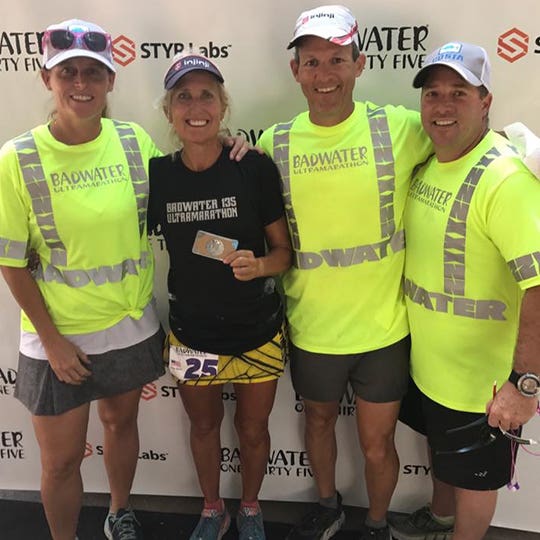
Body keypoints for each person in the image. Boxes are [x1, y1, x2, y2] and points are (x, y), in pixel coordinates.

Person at [257, 5, 433, 540]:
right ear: (295, 71)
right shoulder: (273, 142)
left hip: (384, 330)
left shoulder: (401, 127)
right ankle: (329, 505)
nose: (324, 74)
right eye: (312, 62)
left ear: (359, 64)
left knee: (379, 443)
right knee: (317, 424)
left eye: (337, 59)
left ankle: (376, 523)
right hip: (313, 328)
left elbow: (467, 140)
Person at [0, 18, 165, 540]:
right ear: (46, 78)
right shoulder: (16, 158)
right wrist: (52, 342)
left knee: (121, 426)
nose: (81, 84)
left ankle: (120, 513)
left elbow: (182, 191)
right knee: (61, 462)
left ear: (111, 81)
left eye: (93, 72)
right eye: (67, 71)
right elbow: (9, 260)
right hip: (57, 338)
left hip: (129, 324)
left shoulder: (133, 140)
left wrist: (233, 154)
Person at [390, 42, 540, 540]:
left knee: (476, 482)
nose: (443, 105)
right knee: (442, 460)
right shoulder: (431, 162)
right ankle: (440, 520)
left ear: (486, 100)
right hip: (432, 370)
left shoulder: (505, 180)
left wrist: (526, 384)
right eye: (433, 93)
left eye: (459, 92)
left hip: (485, 386)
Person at [147, 53, 292, 540]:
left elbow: (284, 254)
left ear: (222, 105)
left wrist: (260, 265)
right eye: (183, 96)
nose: (195, 106)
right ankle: (213, 509)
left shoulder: (252, 168)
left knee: (253, 431)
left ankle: (249, 507)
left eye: (206, 94)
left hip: (257, 332)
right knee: (205, 428)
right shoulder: (158, 175)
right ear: (169, 110)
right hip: (193, 337)